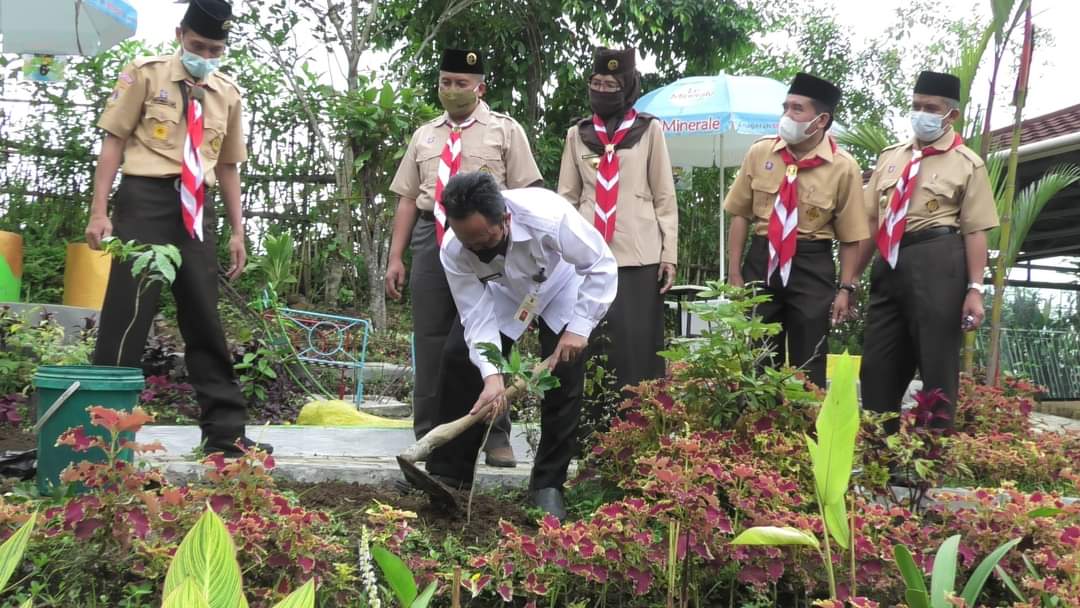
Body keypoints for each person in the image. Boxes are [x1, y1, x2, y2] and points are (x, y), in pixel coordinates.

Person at [85, 0, 270, 456]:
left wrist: (237, 232)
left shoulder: (227, 93)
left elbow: (228, 166)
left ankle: (225, 434)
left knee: (204, 315)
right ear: (179, 34)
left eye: (214, 49)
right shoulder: (144, 75)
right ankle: (102, 432)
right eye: (197, 45)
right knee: (128, 313)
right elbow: (113, 141)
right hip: (145, 199)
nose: (204, 56)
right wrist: (99, 210)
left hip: (196, 209)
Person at [387, 49, 543, 468]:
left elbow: (529, 192)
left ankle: (496, 433)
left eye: (461, 83)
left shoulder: (506, 132)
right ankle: (430, 435)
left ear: (480, 87)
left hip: (488, 244)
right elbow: (406, 197)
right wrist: (395, 257)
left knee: (489, 332)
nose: (452, 90)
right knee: (432, 339)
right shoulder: (424, 136)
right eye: (445, 82)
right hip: (431, 237)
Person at [429, 172, 617, 518]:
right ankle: (449, 474)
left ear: (505, 218)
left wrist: (579, 328)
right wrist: (491, 375)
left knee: (564, 374)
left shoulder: (548, 215)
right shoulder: (455, 249)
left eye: (485, 242)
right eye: (469, 245)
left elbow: (601, 265)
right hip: (505, 292)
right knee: (460, 358)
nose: (477, 252)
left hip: (560, 284)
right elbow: (475, 315)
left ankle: (548, 484)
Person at [857, 70, 998, 433]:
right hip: (889, 262)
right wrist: (850, 280)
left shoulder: (967, 164)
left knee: (936, 363)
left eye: (930, 107)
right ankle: (879, 453)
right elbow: (871, 223)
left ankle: (929, 458)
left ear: (951, 114)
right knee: (878, 362)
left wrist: (975, 289)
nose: (921, 113)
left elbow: (975, 230)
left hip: (938, 259)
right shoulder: (891, 158)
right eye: (916, 105)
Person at [723, 73, 869, 388]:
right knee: (758, 354)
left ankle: (807, 427)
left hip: (811, 264)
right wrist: (735, 273)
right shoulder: (761, 152)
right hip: (762, 258)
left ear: (821, 120)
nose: (787, 116)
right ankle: (759, 427)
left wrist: (846, 289)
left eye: (797, 109)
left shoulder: (844, 167)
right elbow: (739, 215)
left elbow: (851, 236)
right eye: (786, 107)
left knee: (809, 356)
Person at [557, 47, 678, 397]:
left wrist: (669, 253)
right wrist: (560, 253)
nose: (602, 90)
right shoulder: (577, 134)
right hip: (587, 256)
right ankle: (592, 429)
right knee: (591, 342)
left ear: (627, 86)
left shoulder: (649, 129)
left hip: (638, 256)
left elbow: (664, 196)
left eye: (611, 84)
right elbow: (565, 198)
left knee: (636, 346)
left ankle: (638, 426)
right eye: (596, 83)